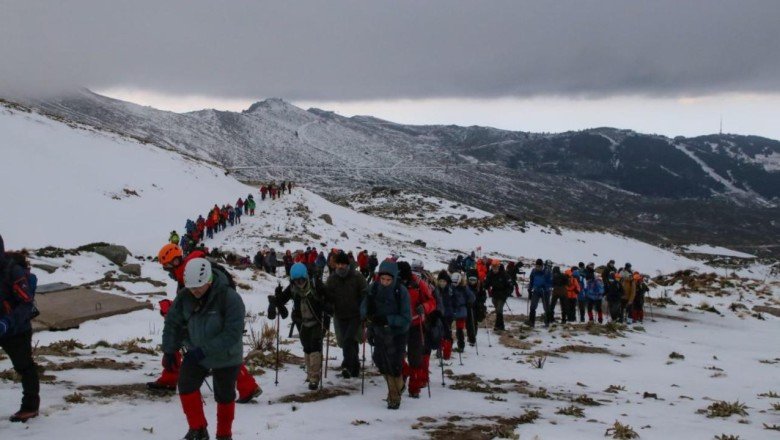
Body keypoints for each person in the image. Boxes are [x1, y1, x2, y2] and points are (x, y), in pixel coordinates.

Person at [152, 244, 261, 403]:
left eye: (166, 267)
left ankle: (170, 378)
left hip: (211, 315)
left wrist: (172, 310)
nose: (167, 271)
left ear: (174, 262)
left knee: (217, 351)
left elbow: (192, 299)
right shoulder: (191, 266)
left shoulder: (186, 271)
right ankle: (248, 386)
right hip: (213, 314)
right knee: (223, 353)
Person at [162, 258, 246, 440]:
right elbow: (173, 323)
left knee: (224, 395)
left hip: (227, 355)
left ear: (209, 280)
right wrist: (169, 350)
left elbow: (232, 333)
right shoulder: (185, 296)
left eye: (198, 287)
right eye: (191, 287)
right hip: (196, 353)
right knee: (185, 385)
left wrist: (202, 351)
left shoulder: (229, 298)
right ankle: (198, 430)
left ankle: (224, 435)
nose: (194, 291)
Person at [268, 263, 329, 390]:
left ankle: (314, 378)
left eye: (301, 279)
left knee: (314, 348)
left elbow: (329, 299)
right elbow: (282, 300)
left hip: (318, 321)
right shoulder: (292, 288)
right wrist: (278, 296)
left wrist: (325, 305)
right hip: (302, 322)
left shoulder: (316, 285)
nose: (299, 283)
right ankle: (310, 374)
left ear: (306, 276)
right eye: (296, 280)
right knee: (307, 348)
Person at [0, 236, 40, 423]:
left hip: (16, 329)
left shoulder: (12, 272)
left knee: (24, 366)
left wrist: (7, 323)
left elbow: (26, 303)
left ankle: (30, 407)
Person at [361, 261, 411, 409]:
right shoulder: (374, 288)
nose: (385, 282)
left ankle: (394, 397)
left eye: (388, 280)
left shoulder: (401, 292)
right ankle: (399, 385)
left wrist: (388, 320)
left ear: (394, 278)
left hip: (398, 333)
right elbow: (364, 307)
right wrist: (367, 316)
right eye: (383, 279)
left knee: (394, 365)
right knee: (379, 360)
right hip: (379, 332)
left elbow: (406, 318)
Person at [325, 252, 368, 379]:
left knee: (349, 339)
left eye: (343, 264)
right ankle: (355, 367)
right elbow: (328, 295)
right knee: (347, 341)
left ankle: (347, 366)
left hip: (355, 315)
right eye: (338, 264)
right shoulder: (332, 279)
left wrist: (364, 308)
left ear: (347, 264)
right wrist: (328, 305)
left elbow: (365, 292)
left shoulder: (357, 276)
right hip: (339, 315)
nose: (341, 266)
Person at [397, 261, 436, 399]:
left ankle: (414, 388)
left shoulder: (419, 284)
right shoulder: (393, 282)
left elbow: (432, 302)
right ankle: (405, 372)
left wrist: (424, 307)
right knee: (397, 354)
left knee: (415, 357)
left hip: (415, 323)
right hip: (399, 324)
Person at [483, 259, 513, 331]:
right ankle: (500, 325)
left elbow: (510, 286)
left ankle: (499, 326)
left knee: (499, 309)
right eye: (493, 267)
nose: (494, 269)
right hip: (495, 294)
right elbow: (487, 283)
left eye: (496, 267)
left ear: (499, 266)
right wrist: (484, 286)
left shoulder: (504, 274)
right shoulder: (490, 274)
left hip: (503, 294)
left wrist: (506, 294)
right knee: (498, 310)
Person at [449, 272, 476, 352]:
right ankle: (448, 345)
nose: (454, 284)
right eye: (452, 282)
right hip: (451, 310)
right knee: (448, 328)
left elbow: (472, 297)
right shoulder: (450, 287)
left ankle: (461, 346)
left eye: (455, 282)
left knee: (459, 329)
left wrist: (469, 302)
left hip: (461, 310)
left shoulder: (464, 288)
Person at [527, 259, 552, 328]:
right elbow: (531, 280)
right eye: (536, 266)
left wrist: (546, 287)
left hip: (545, 292)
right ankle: (531, 322)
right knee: (533, 306)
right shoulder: (534, 271)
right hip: (536, 290)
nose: (537, 268)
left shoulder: (547, 272)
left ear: (542, 266)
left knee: (546, 307)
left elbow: (550, 282)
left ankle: (547, 322)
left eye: (539, 266)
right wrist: (529, 289)